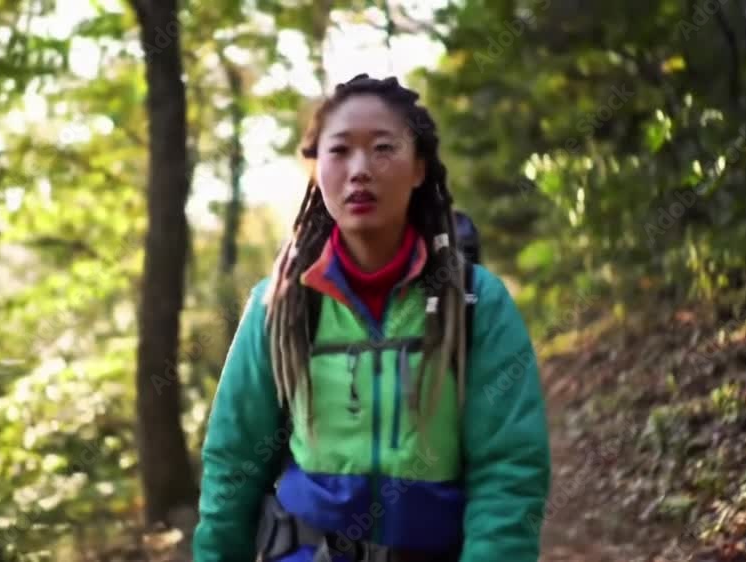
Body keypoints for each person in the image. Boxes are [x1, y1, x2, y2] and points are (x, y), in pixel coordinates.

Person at [192, 74, 551, 562]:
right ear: (316, 168)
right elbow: (234, 461)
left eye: (383, 148)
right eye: (339, 151)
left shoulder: (474, 301)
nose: (360, 170)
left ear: (419, 167)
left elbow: (509, 468)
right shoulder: (281, 304)